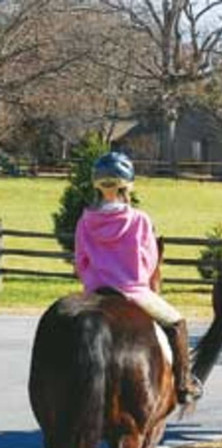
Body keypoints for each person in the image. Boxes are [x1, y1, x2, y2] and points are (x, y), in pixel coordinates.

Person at [74, 151, 203, 404]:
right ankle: (184, 383)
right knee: (177, 324)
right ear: (127, 185)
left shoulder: (85, 220)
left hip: (94, 293)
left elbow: (80, 261)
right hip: (133, 291)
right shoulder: (139, 220)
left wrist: (92, 280)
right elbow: (148, 261)